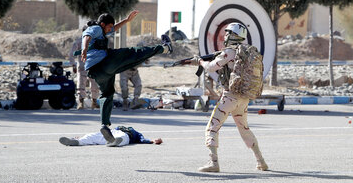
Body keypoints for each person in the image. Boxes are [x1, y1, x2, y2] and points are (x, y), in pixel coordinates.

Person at [81, 10, 172, 147]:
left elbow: (112, 29)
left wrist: (126, 21)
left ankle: (105, 125)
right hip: (104, 63)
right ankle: (164, 48)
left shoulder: (101, 31)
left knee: (107, 94)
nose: (111, 29)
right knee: (132, 53)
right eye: (109, 26)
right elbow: (87, 36)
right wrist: (84, 49)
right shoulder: (95, 28)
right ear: (102, 24)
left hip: (96, 72)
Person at [190, 23, 268, 172]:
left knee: (212, 127)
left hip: (230, 97)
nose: (225, 36)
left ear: (233, 35)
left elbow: (211, 67)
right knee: (244, 128)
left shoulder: (229, 52)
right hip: (243, 98)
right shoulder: (246, 52)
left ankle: (213, 163)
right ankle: (261, 161)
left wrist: (199, 61)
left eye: (227, 33)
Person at [69, 26, 100, 110]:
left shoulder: (92, 41)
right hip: (84, 65)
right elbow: (72, 54)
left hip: (91, 65)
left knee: (93, 84)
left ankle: (93, 102)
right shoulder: (80, 42)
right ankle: (81, 102)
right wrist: (73, 65)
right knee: (82, 84)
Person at [59, 125, 163, 147]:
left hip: (123, 136)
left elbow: (142, 139)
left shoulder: (133, 132)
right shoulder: (117, 128)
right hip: (111, 133)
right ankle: (77, 141)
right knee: (92, 136)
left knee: (122, 137)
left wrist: (152, 141)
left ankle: (114, 142)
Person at [119, 42, 148, 111]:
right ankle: (125, 101)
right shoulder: (131, 53)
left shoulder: (144, 54)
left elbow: (147, 62)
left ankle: (135, 100)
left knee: (138, 85)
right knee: (124, 87)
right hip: (125, 71)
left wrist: (146, 58)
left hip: (134, 72)